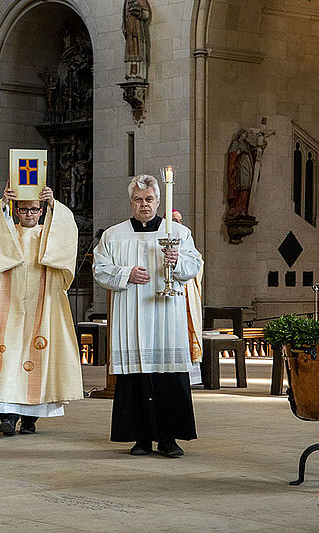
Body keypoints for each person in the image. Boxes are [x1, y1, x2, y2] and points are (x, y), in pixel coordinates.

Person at [93, 175, 202, 457]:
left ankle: (168, 439)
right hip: (131, 314)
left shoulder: (178, 232)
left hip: (166, 315)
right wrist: (126, 273)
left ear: (158, 201)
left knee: (168, 374)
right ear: (131, 202)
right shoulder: (114, 235)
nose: (144, 205)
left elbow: (194, 264)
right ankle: (140, 438)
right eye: (139, 200)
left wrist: (177, 261)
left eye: (150, 199)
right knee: (135, 375)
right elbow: (100, 268)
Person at [0, 184, 83, 436]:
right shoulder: (9, 232)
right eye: (23, 209)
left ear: (41, 211)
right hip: (9, 303)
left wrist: (55, 204)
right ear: (16, 211)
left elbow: (66, 230)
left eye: (34, 209)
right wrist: (2, 203)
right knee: (7, 357)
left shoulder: (48, 234)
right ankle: (7, 417)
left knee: (39, 357)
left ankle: (31, 420)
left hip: (43, 303)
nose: (29, 214)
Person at [171, 209, 203, 387]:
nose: (178, 223)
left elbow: (197, 263)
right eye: (174, 220)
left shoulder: (185, 239)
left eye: (180, 220)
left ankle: (191, 377)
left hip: (187, 298)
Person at [226, 129, 255, 219]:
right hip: (240, 169)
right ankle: (238, 208)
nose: (246, 135)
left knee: (246, 188)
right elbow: (232, 155)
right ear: (241, 134)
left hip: (248, 168)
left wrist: (261, 146)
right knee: (241, 187)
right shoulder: (236, 143)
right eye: (244, 133)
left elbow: (254, 152)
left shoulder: (247, 144)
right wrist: (239, 152)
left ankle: (244, 209)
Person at [123, 0, 152, 80]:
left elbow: (146, 14)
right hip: (129, 32)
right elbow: (124, 17)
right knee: (130, 50)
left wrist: (137, 12)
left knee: (138, 49)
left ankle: (139, 73)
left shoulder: (141, 0)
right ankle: (130, 73)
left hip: (138, 31)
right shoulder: (126, 2)